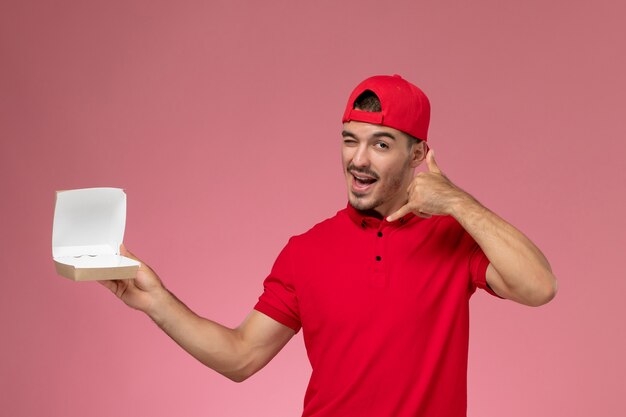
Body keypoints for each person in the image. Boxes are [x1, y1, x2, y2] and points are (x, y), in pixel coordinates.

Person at [100, 74, 557, 417]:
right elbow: (241, 356)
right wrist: (155, 301)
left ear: (418, 155)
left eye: (381, 144)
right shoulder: (306, 251)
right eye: (349, 141)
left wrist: (457, 202)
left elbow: (538, 286)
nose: (358, 160)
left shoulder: (452, 238)